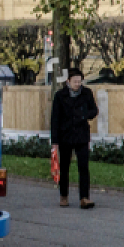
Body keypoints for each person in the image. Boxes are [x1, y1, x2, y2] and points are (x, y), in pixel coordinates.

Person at [50, 67, 99, 209]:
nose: (78, 84)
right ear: (68, 81)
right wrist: (55, 142)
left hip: (82, 135)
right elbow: (55, 119)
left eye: (80, 81)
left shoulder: (87, 93)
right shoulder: (60, 96)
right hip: (65, 135)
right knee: (64, 167)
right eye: (75, 81)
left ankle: (84, 197)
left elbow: (94, 110)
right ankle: (63, 196)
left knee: (83, 167)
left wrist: (84, 115)